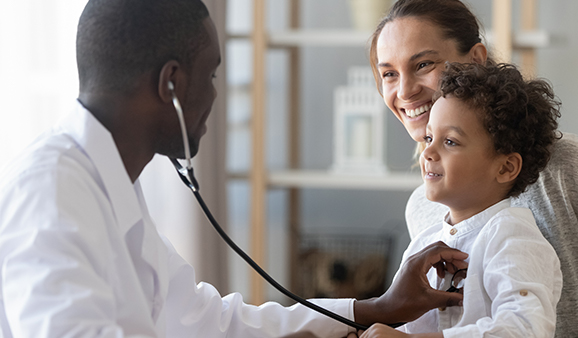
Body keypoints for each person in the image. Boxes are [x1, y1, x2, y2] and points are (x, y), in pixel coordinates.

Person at [0, 0, 469, 337]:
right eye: (211, 75)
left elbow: (213, 321)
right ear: (172, 84)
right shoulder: (50, 193)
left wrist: (376, 308)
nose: (216, 96)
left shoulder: (110, 187)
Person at [363, 0, 578, 337]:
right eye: (389, 73)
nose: (404, 90)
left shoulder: (568, 168)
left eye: (423, 64)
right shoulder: (425, 208)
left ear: (476, 59)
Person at [368, 61, 564, 337]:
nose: (427, 153)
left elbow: (524, 329)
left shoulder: (512, 237)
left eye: (450, 142)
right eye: (428, 138)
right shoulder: (423, 244)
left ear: (506, 167)